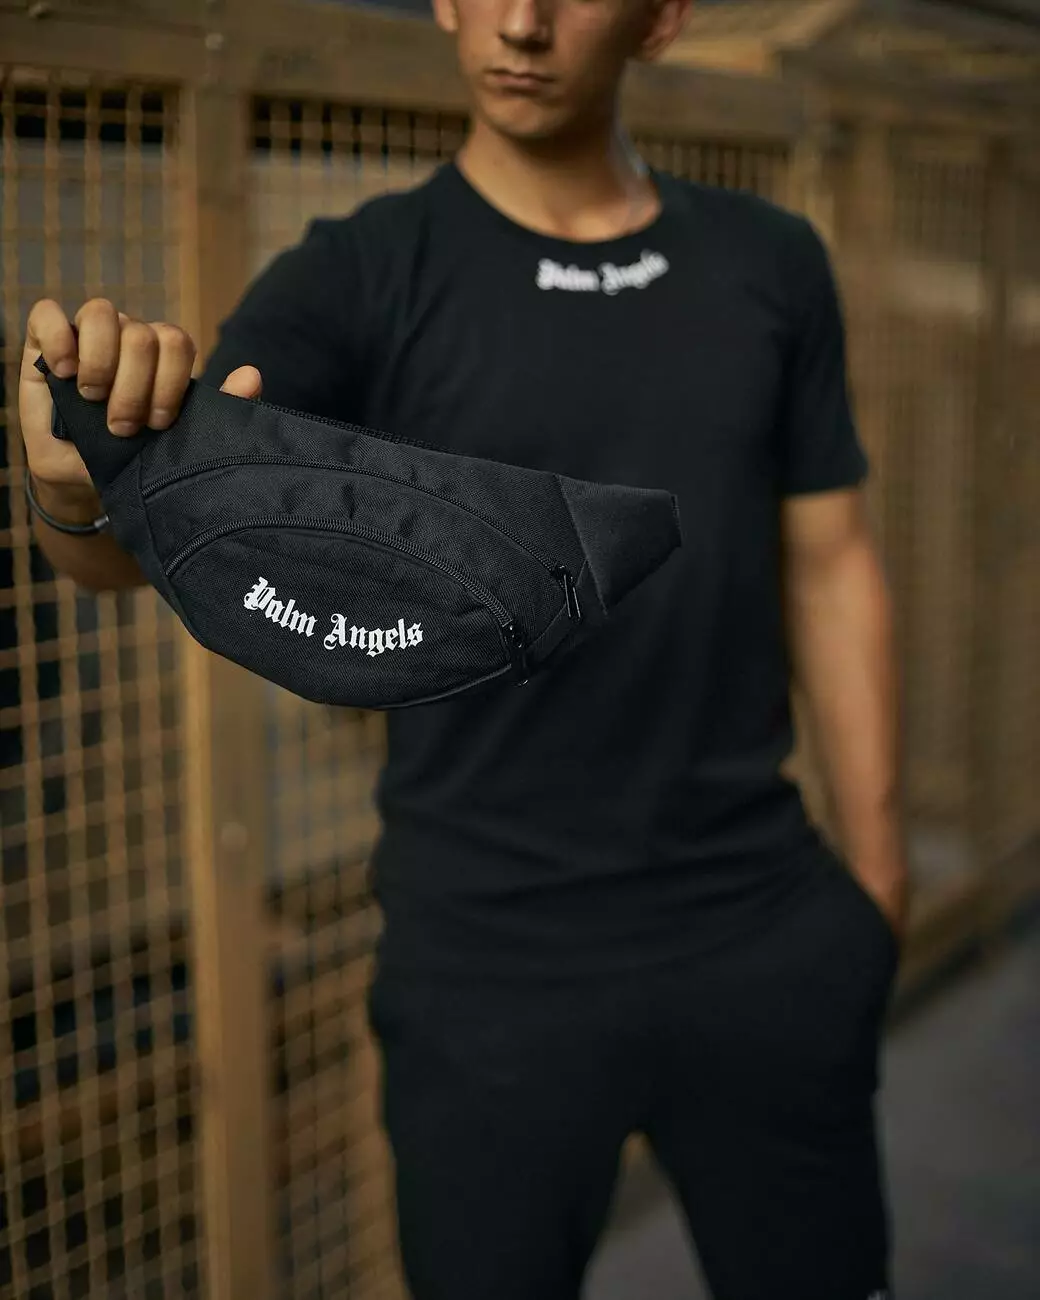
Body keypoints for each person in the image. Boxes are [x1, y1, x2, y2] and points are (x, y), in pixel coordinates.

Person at [19, 0, 908, 1294]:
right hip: (484, 969)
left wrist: (875, 890)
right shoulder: (362, 271)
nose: (523, 23)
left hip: (761, 929)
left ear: (663, 17)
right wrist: (76, 486)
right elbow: (154, 537)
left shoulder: (770, 261)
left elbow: (831, 560)